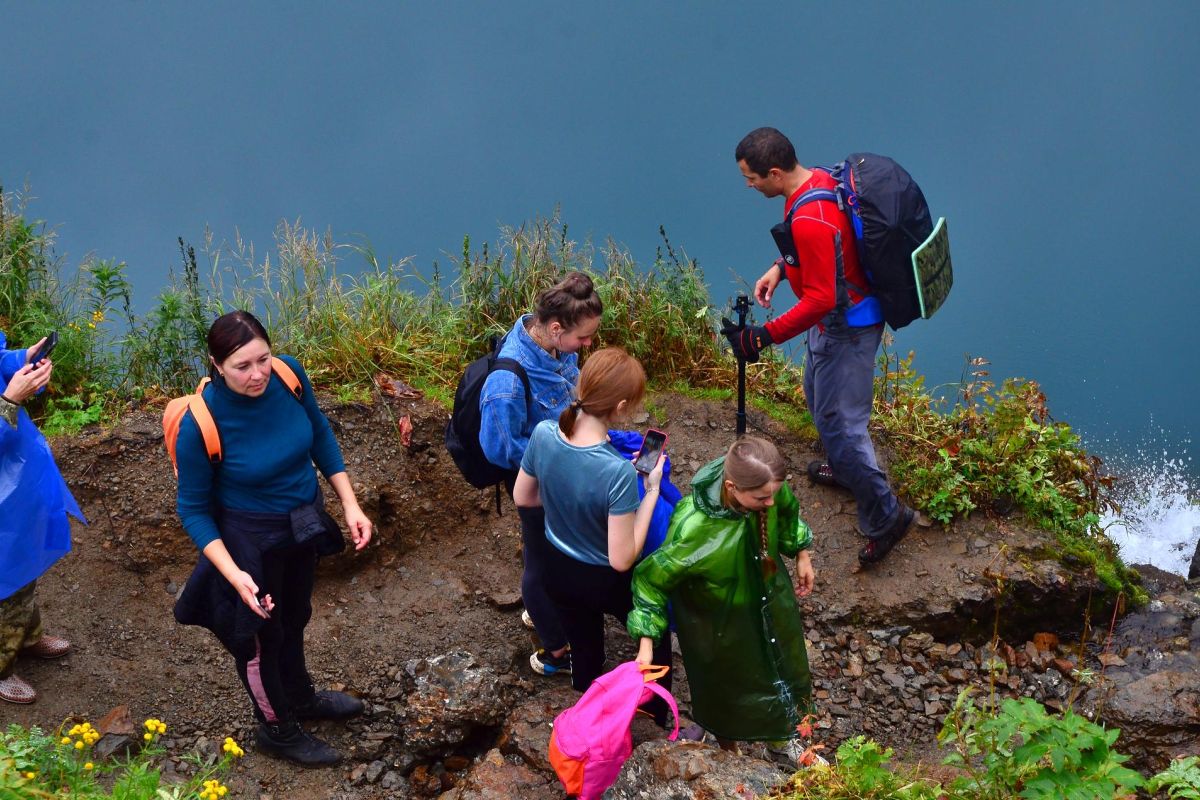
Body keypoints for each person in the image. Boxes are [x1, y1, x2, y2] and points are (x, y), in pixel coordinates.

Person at [172, 311, 373, 766]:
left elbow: (318, 432)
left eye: (263, 358)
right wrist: (235, 575)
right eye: (242, 366)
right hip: (247, 540)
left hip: (301, 521)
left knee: (296, 615)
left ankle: (300, 697)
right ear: (216, 364)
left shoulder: (288, 375)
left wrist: (349, 503)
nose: (258, 373)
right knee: (259, 638)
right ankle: (277, 728)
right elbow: (194, 510)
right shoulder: (199, 423)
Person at [725, 126, 915, 564]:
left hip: (846, 327)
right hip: (839, 322)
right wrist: (779, 268)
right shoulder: (819, 181)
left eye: (751, 178)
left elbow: (822, 298)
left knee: (841, 425)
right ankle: (846, 469)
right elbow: (827, 248)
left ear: (774, 172)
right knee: (817, 394)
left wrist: (762, 336)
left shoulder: (810, 218)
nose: (749, 186)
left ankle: (888, 517)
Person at [627, 436, 815, 763]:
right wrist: (645, 645)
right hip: (717, 625)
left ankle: (782, 744)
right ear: (731, 487)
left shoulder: (768, 490)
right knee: (725, 689)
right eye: (762, 498)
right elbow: (651, 581)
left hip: (769, 604)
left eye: (773, 493)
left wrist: (802, 553)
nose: (770, 502)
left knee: (779, 670)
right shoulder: (693, 525)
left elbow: (786, 515)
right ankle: (730, 754)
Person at [512, 348, 673, 705]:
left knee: (583, 641)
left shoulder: (543, 433)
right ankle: (656, 712)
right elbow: (621, 558)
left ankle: (585, 694)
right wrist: (649, 490)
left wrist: (565, 508)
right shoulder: (616, 471)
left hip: (557, 566)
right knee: (656, 634)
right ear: (620, 408)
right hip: (602, 578)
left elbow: (523, 497)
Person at [479, 271, 603, 676]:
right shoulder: (506, 381)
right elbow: (500, 448)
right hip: (537, 485)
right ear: (554, 328)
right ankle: (557, 651)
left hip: (560, 473)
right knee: (542, 560)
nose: (586, 346)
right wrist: (557, 457)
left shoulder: (556, 348)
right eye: (582, 339)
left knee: (552, 551)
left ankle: (544, 614)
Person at [0, 332, 83, 704]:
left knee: (24, 564)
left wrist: (22, 361)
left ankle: (27, 637)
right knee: (4, 581)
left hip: (16, 479)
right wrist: (9, 401)